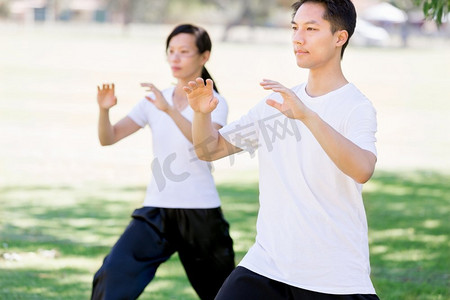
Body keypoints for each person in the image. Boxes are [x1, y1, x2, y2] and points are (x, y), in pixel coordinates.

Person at [184, 0, 379, 299]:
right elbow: (211, 150)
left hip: (332, 276)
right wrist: (201, 114)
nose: (298, 38)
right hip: (267, 264)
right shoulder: (277, 102)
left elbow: (363, 169)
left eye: (311, 29)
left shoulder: (355, 107)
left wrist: (307, 115)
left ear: (340, 37)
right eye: (295, 28)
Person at [91, 24, 235, 300]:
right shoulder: (153, 100)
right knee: (113, 274)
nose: (175, 58)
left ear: (204, 57)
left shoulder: (214, 102)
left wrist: (169, 109)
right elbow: (108, 138)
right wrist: (104, 110)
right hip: (157, 210)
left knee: (222, 292)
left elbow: (204, 145)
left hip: (200, 211)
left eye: (184, 51)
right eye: (171, 51)